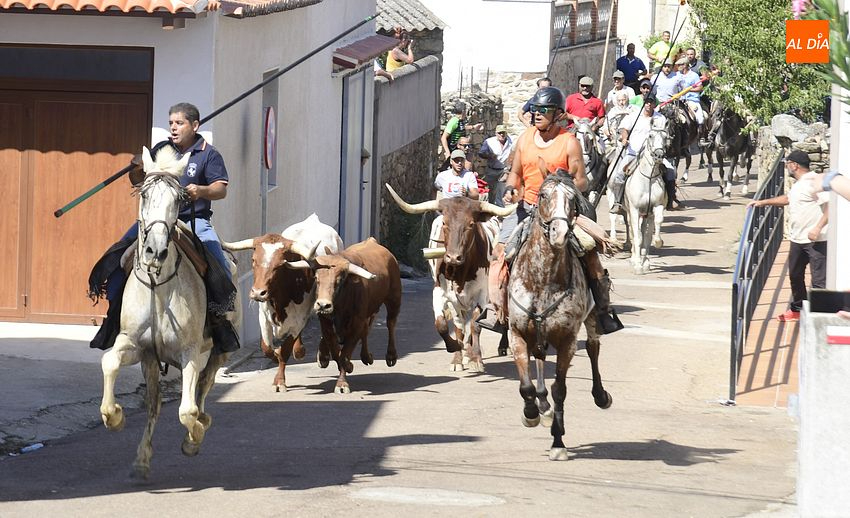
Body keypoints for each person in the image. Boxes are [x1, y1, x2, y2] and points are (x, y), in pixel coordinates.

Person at [89, 102, 240, 353]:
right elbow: (138, 181)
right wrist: (137, 167)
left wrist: (200, 190)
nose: (173, 128)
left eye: (179, 123)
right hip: (155, 220)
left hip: (194, 220)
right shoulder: (161, 149)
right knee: (116, 257)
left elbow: (220, 189)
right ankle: (114, 314)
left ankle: (218, 321)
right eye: (171, 123)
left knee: (218, 263)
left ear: (195, 125)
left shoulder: (209, 154)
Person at [499, 86, 623, 334]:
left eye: (542, 110)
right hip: (527, 207)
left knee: (589, 253)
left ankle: (603, 311)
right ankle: (499, 313)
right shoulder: (525, 138)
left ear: (557, 114)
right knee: (501, 255)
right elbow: (515, 172)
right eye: (534, 109)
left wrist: (558, 188)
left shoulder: (569, 142)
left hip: (562, 211)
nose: (536, 114)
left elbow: (582, 181)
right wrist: (511, 188)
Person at [748, 150, 829, 322]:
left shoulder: (815, 181)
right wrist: (763, 203)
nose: (786, 167)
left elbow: (831, 206)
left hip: (817, 239)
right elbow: (788, 199)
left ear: (794, 165)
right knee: (795, 274)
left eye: (787, 164)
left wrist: (818, 227)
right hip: (797, 239)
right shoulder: (800, 184)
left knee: (819, 280)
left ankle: (818, 317)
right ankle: (798, 309)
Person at [608, 94, 667, 214]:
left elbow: (663, 134)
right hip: (633, 152)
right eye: (646, 102)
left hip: (654, 155)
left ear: (655, 104)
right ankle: (618, 202)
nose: (648, 104)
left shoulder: (660, 118)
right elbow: (624, 129)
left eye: (651, 102)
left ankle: (670, 200)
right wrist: (624, 138)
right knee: (619, 174)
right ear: (643, 103)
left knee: (671, 172)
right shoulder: (634, 116)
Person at [478, 124, 513, 205]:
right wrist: (490, 155)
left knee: (501, 190)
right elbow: (481, 153)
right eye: (500, 133)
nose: (502, 135)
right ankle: (491, 206)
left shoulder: (511, 142)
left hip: (503, 170)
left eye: (503, 133)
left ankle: (500, 208)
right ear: (496, 133)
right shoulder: (489, 142)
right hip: (491, 170)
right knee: (492, 190)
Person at [675, 57, 705, 128]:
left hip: (692, 100)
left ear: (685, 65)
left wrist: (689, 90)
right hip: (679, 100)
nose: (678, 67)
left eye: (680, 65)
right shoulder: (676, 75)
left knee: (700, 118)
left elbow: (700, 87)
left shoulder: (694, 75)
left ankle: (701, 136)